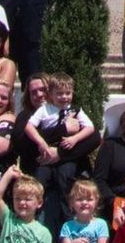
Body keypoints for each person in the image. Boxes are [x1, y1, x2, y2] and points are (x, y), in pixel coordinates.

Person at [24, 73, 97, 231]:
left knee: (66, 179)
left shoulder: (76, 110)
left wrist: (75, 138)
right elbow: (29, 127)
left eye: (68, 93)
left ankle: (69, 216)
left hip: (66, 154)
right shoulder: (44, 110)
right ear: (50, 95)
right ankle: (32, 217)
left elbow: (91, 129)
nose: (64, 97)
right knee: (39, 181)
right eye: (59, 94)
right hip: (46, 153)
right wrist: (41, 142)